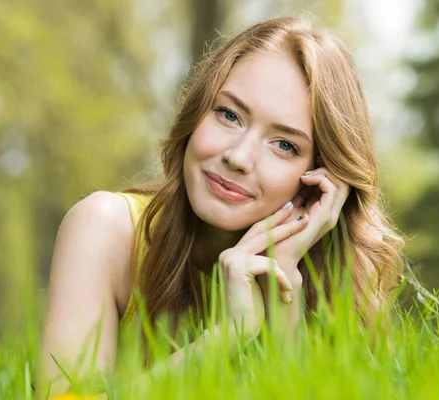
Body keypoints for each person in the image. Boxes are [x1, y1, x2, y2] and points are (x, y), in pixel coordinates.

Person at [36, 14, 404, 398]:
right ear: (195, 114)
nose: (239, 157)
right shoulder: (106, 229)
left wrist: (283, 292)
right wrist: (226, 336)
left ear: (320, 180)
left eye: (284, 145)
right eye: (229, 115)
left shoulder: (334, 279)